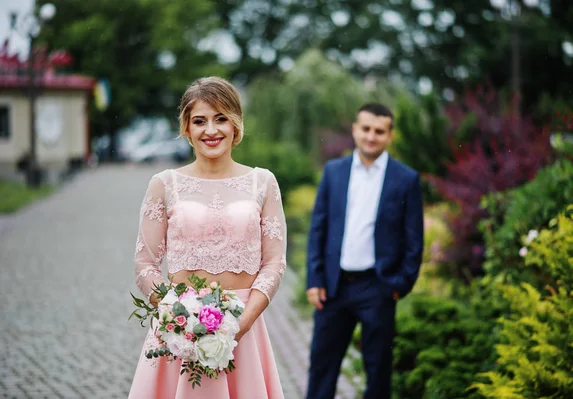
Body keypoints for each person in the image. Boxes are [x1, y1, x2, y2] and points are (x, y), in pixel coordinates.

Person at [128, 76, 286, 399]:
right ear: (186, 128)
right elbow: (145, 262)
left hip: (243, 331)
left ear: (236, 125)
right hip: (178, 331)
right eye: (199, 121)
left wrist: (240, 324)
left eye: (221, 119)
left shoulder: (263, 183)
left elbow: (273, 263)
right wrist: (175, 317)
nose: (210, 130)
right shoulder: (164, 184)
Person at [305, 103, 424, 399]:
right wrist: (314, 279)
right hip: (333, 287)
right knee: (322, 367)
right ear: (356, 130)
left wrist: (400, 285)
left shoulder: (406, 179)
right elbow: (318, 229)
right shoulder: (334, 172)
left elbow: (414, 241)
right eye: (366, 129)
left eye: (379, 131)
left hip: (378, 288)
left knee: (378, 370)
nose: (372, 136)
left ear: (389, 136)